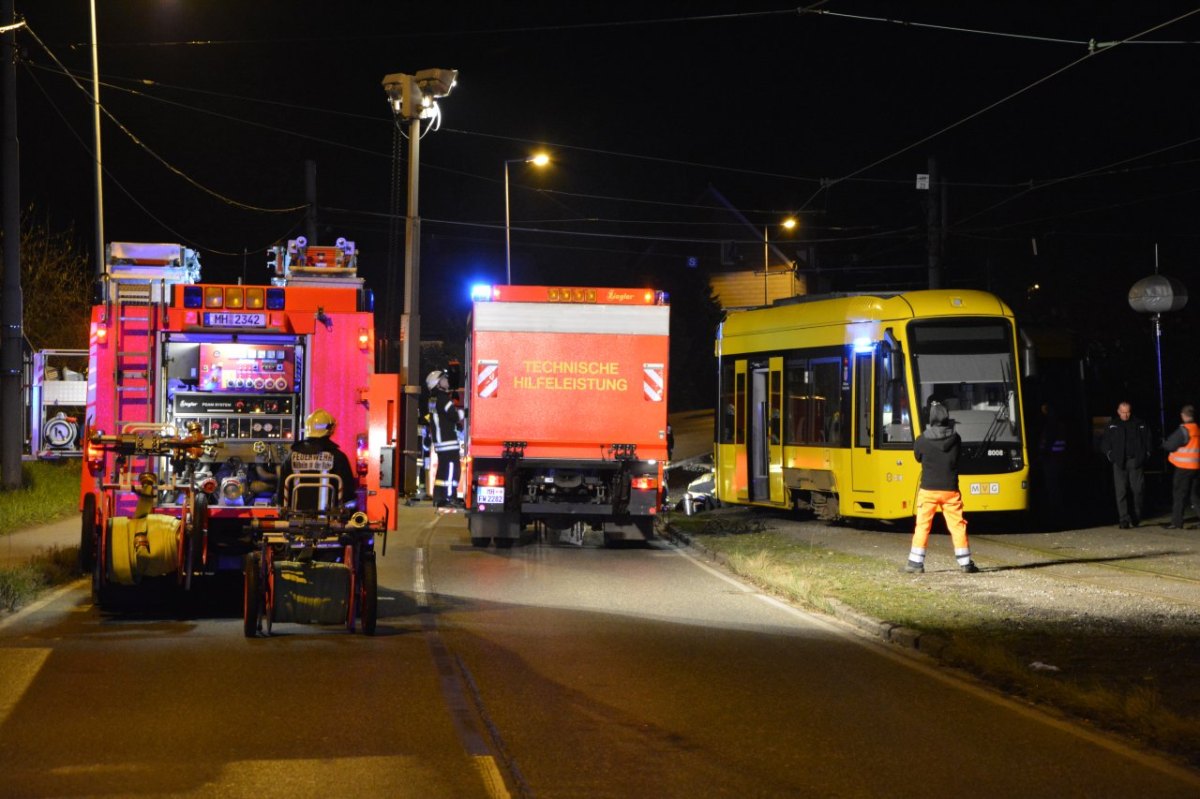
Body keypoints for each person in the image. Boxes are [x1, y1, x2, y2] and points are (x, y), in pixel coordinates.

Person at [904, 401, 979, 574]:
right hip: (950, 489)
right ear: (947, 419)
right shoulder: (956, 439)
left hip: (928, 489)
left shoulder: (922, 440)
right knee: (957, 525)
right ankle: (966, 563)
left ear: (931, 419)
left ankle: (915, 563)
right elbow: (958, 458)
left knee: (923, 525)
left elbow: (918, 457)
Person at [280, 408, 358, 513]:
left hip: (296, 521)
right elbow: (348, 495)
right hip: (329, 522)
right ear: (330, 429)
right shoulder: (339, 457)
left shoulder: (290, 457)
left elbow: (282, 493)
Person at [1100, 401, 1152, 528]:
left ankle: (1136, 516)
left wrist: (1146, 454)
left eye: (1128, 411)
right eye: (1123, 412)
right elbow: (1105, 443)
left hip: (1136, 461)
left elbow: (1148, 440)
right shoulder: (1113, 425)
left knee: (1138, 490)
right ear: (1118, 411)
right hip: (1119, 462)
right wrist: (1111, 455)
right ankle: (1123, 519)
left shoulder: (1140, 424)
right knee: (1121, 491)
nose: (1126, 415)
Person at [427, 370, 465, 512]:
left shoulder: (433, 400)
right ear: (437, 384)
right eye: (443, 379)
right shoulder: (443, 398)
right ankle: (450, 498)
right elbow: (454, 415)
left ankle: (440, 498)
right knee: (451, 471)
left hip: (440, 442)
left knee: (443, 472)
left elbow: (442, 418)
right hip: (448, 442)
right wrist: (466, 412)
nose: (446, 381)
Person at [1162, 404, 1200, 530]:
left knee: (1179, 494)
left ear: (1183, 416)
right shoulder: (1197, 429)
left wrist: (1164, 443)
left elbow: (1170, 445)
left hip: (1183, 467)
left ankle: (1177, 522)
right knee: (1195, 495)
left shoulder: (1184, 430)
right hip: (1196, 467)